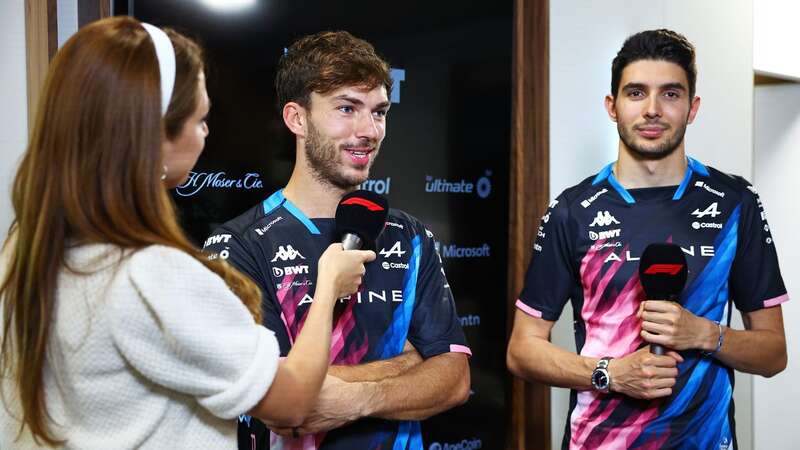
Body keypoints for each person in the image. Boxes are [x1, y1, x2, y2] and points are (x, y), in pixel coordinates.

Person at [0, 17, 373, 449]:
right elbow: (291, 404)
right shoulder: (152, 275)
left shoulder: (24, 248)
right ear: (153, 136)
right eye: (199, 120)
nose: (206, 134)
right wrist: (327, 288)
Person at [507, 29, 788, 449]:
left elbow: (773, 354)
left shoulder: (736, 203)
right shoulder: (572, 209)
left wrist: (704, 334)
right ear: (612, 106)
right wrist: (610, 373)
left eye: (670, 94)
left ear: (692, 108)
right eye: (636, 93)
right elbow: (522, 350)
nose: (653, 110)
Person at [203, 31, 471, 450]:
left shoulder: (410, 234)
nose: (369, 130)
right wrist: (408, 364)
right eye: (347, 108)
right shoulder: (237, 245)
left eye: (379, 112)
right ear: (297, 119)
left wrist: (356, 398)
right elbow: (279, 401)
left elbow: (453, 378)